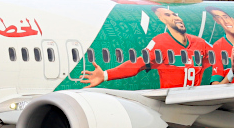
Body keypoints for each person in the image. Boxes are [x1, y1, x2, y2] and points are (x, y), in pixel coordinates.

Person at [79, 5, 211, 89]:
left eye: (175, 14)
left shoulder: (199, 42)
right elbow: (137, 64)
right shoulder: (161, 42)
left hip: (196, 106)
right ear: (163, 20)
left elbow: (220, 61)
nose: (175, 18)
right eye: (168, 15)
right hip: (173, 108)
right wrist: (106, 75)